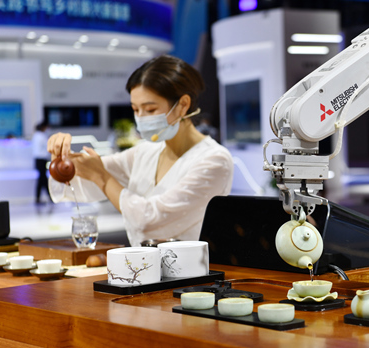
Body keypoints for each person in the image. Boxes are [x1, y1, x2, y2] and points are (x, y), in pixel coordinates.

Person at [47, 55, 234, 246]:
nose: (141, 118)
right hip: (140, 263)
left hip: (189, 265)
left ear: (183, 105)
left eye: (150, 110)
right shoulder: (145, 152)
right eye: (136, 110)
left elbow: (150, 221)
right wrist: (61, 158)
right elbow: (83, 176)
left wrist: (102, 177)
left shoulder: (214, 160)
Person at [31, 121, 51, 204]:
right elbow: (47, 148)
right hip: (41, 159)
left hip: (38, 159)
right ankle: (49, 197)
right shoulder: (41, 136)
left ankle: (39, 198)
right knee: (43, 179)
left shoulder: (36, 135)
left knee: (42, 179)